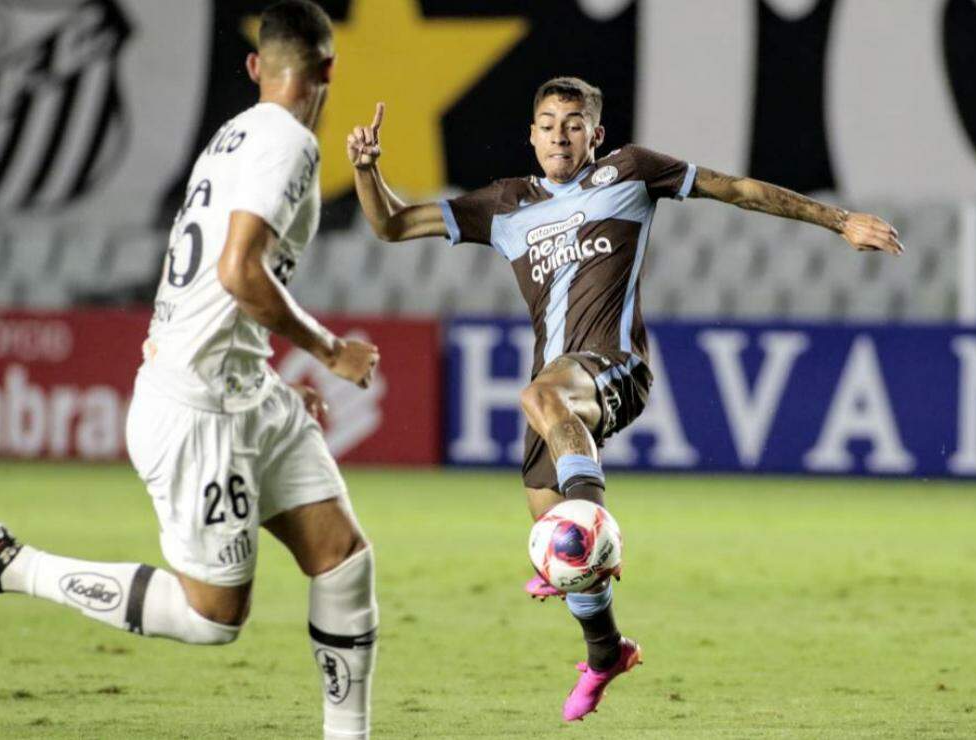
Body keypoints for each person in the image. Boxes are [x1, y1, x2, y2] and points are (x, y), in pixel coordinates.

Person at [346, 76, 903, 721]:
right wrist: (367, 169)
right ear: (531, 134)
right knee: (559, 545)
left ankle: (595, 521)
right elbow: (389, 224)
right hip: (558, 392)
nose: (559, 133)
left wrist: (838, 221)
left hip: (614, 368)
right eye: (548, 122)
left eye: (573, 122)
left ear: (595, 135)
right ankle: (607, 651)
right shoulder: (502, 205)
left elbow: (739, 190)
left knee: (546, 423)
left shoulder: (630, 173)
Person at [0, 3, 381, 738]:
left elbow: (213, 283)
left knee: (342, 560)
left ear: (254, 66)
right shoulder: (288, 143)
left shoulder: (233, 136)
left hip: (240, 391)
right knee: (213, 619)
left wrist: (264, 374)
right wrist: (327, 347)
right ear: (330, 69)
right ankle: (9, 563)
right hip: (197, 411)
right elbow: (240, 270)